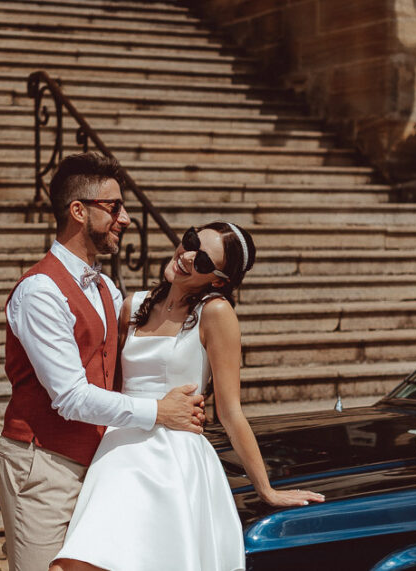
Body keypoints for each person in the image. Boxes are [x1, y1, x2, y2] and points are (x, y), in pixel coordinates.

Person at [51, 222, 325, 571]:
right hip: (119, 453)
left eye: (205, 262)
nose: (187, 256)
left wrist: (266, 489)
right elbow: (110, 385)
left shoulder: (216, 313)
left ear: (218, 281)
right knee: (79, 562)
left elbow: (230, 412)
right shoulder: (132, 305)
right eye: (191, 242)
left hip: (173, 459)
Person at [0, 152, 205, 571]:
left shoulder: (106, 287)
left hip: (102, 466)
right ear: (78, 211)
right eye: (114, 208)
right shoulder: (40, 291)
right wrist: (160, 412)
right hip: (45, 465)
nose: (125, 218)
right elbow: (71, 396)